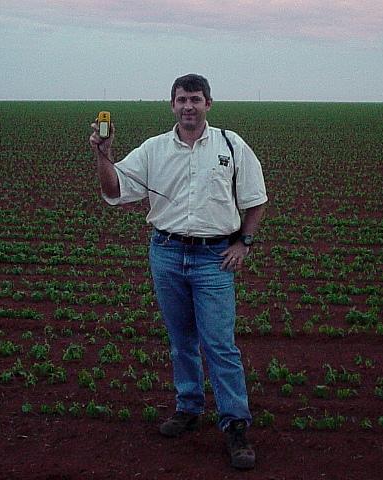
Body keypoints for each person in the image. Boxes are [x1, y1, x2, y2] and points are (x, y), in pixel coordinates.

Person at [89, 74, 267, 470]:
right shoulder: (154, 149)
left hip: (214, 259)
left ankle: (235, 424)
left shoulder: (231, 145)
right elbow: (115, 191)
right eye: (182, 99)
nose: (189, 106)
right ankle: (188, 407)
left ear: (209, 104)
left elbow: (256, 200)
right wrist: (103, 154)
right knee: (181, 339)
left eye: (196, 99)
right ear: (172, 105)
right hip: (167, 253)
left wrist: (244, 243)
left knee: (219, 344)